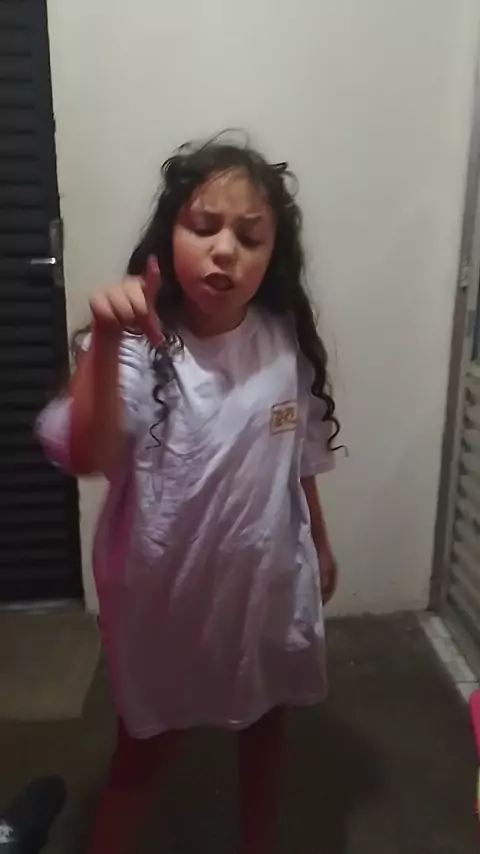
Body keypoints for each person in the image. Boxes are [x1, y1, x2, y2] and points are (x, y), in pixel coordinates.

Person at [37, 136, 340, 854]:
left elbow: (297, 452)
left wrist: (320, 540)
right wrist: (106, 339)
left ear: (272, 257)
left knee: (265, 728)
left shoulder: (282, 339)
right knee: (145, 753)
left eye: (250, 236)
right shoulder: (136, 345)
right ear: (168, 237)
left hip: (266, 584)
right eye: (204, 227)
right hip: (166, 596)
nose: (225, 250)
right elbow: (85, 453)